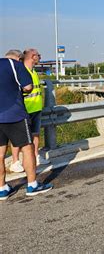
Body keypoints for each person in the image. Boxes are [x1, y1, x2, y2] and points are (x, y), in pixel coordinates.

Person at [0, 50, 53, 200]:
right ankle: (32, 185)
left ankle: (2, 188)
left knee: (0, 153)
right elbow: (28, 87)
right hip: (15, 115)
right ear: (18, 58)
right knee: (28, 148)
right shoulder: (15, 65)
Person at [10, 49, 48, 173]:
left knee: (35, 134)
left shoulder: (33, 71)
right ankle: (15, 161)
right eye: (39, 55)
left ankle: (36, 156)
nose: (40, 57)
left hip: (36, 108)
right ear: (33, 56)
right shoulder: (22, 71)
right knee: (18, 136)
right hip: (24, 109)